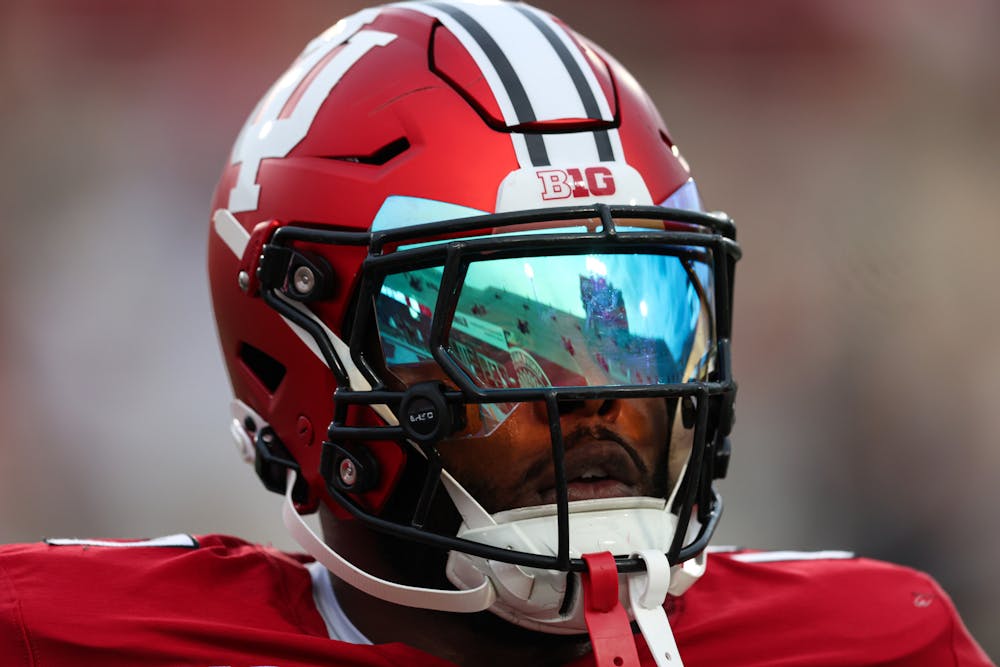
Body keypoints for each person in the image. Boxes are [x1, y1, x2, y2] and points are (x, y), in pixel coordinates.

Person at [0, 1, 992, 665]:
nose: (598, 389)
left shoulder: (872, 639)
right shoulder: (65, 633)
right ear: (297, 355)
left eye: (631, 318)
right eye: (502, 330)